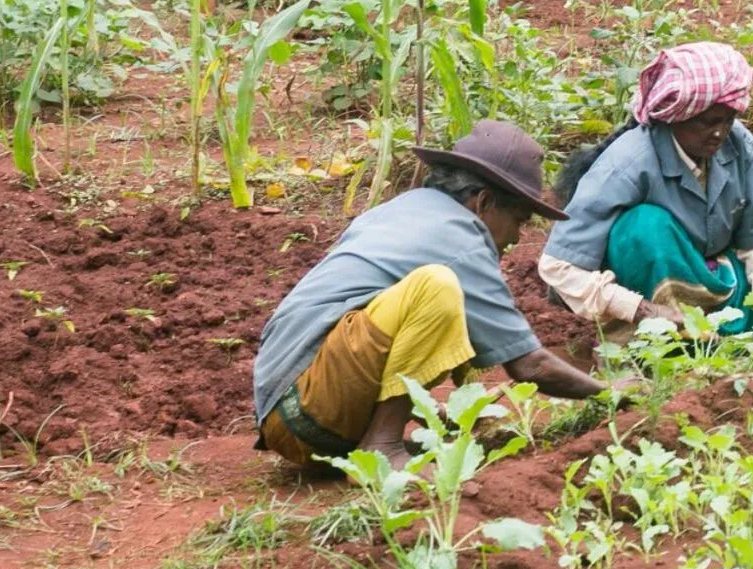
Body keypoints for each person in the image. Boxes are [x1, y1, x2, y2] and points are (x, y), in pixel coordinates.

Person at [253, 120, 626, 470]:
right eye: (519, 220)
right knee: (439, 286)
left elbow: (375, 327)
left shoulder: (401, 211)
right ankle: (382, 445)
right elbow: (530, 365)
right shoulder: (459, 238)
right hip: (306, 410)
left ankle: (387, 430)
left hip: (290, 410)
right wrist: (610, 392)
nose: (515, 238)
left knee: (446, 299)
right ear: (482, 202)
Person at [538, 42, 753, 339]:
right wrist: (642, 309)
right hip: (656, 288)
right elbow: (558, 266)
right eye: (708, 122)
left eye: (727, 120)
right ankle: (668, 341)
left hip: (714, 267)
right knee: (643, 225)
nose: (720, 132)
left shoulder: (738, 144)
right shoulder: (627, 163)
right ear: (676, 117)